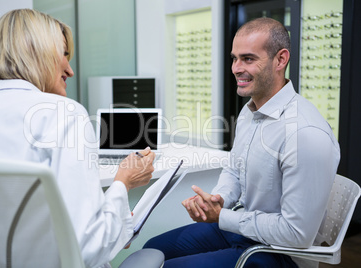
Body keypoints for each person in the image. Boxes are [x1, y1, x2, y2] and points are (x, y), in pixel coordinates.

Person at [0, 9, 155, 268]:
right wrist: (123, 183)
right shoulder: (64, 114)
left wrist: (114, 222)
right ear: (37, 51)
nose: (70, 71)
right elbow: (89, 250)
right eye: (64, 54)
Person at [143, 17, 340, 268]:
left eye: (248, 59)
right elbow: (234, 169)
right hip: (244, 229)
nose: (236, 68)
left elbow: (296, 234)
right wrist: (220, 199)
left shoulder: (305, 134)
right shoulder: (250, 111)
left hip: (280, 252)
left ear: (280, 60)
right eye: (234, 58)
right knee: (153, 249)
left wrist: (222, 217)